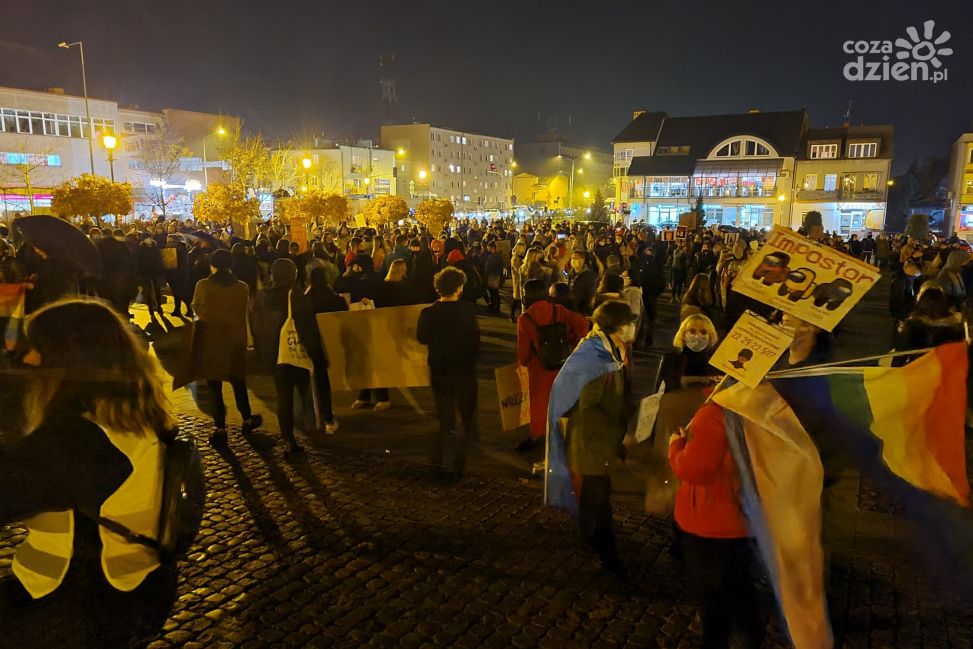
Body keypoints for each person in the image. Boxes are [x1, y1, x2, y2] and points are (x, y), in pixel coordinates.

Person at [0, 299, 179, 648]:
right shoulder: (140, 418)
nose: (24, 360)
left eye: (32, 349)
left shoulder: (74, 440)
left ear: (61, 359)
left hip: (70, 601)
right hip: (139, 586)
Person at [549, 300, 636, 574]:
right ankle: (600, 547)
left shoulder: (609, 349)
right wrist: (617, 435)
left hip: (600, 442)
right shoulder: (598, 359)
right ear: (616, 326)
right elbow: (589, 409)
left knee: (599, 494)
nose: (634, 327)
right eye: (629, 322)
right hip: (592, 443)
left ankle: (599, 536)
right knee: (594, 497)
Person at [668, 401, 764, 648]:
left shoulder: (714, 413)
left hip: (709, 523)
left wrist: (676, 446)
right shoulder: (761, 407)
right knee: (740, 586)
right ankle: (752, 637)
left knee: (712, 593)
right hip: (744, 518)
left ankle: (716, 641)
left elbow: (696, 469)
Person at [252, 258, 338, 454]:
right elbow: (307, 328)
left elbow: (255, 327)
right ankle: (312, 428)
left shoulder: (261, 296)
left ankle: (288, 438)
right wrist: (317, 355)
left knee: (283, 398)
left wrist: (263, 352)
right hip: (296, 354)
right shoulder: (295, 295)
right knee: (306, 392)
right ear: (294, 274)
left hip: (275, 355)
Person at [191, 249, 262, 445]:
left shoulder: (203, 285)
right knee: (239, 384)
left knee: (215, 388)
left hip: (212, 342)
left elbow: (196, 308)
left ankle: (220, 428)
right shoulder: (242, 287)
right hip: (235, 342)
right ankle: (247, 419)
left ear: (212, 265)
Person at [416, 267, 481, 481]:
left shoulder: (428, 313)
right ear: (459, 288)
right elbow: (475, 342)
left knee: (446, 417)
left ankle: (442, 457)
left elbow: (422, 338)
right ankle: (459, 462)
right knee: (467, 416)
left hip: (440, 369)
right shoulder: (467, 311)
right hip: (464, 370)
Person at [516, 279, 589, 452]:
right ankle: (562, 434)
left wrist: (525, 363)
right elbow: (582, 325)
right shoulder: (558, 311)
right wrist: (573, 344)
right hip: (563, 364)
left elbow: (523, 351)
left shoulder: (525, 319)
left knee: (540, 403)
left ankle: (540, 435)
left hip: (540, 367)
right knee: (563, 399)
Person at [893, 282, 965, 366]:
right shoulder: (956, 325)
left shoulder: (913, 326)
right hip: (947, 371)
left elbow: (900, 355)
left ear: (921, 302)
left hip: (920, 371)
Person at [672, 314, 721, 386]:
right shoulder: (673, 359)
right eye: (692, 331)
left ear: (710, 336)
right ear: (683, 335)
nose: (698, 335)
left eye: (703, 332)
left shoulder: (716, 360)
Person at [567, 251, 598, 316]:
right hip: (571, 307)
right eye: (572, 258)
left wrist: (584, 311)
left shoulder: (590, 275)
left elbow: (590, 294)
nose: (573, 260)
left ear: (582, 260)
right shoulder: (571, 273)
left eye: (575, 258)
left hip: (582, 311)